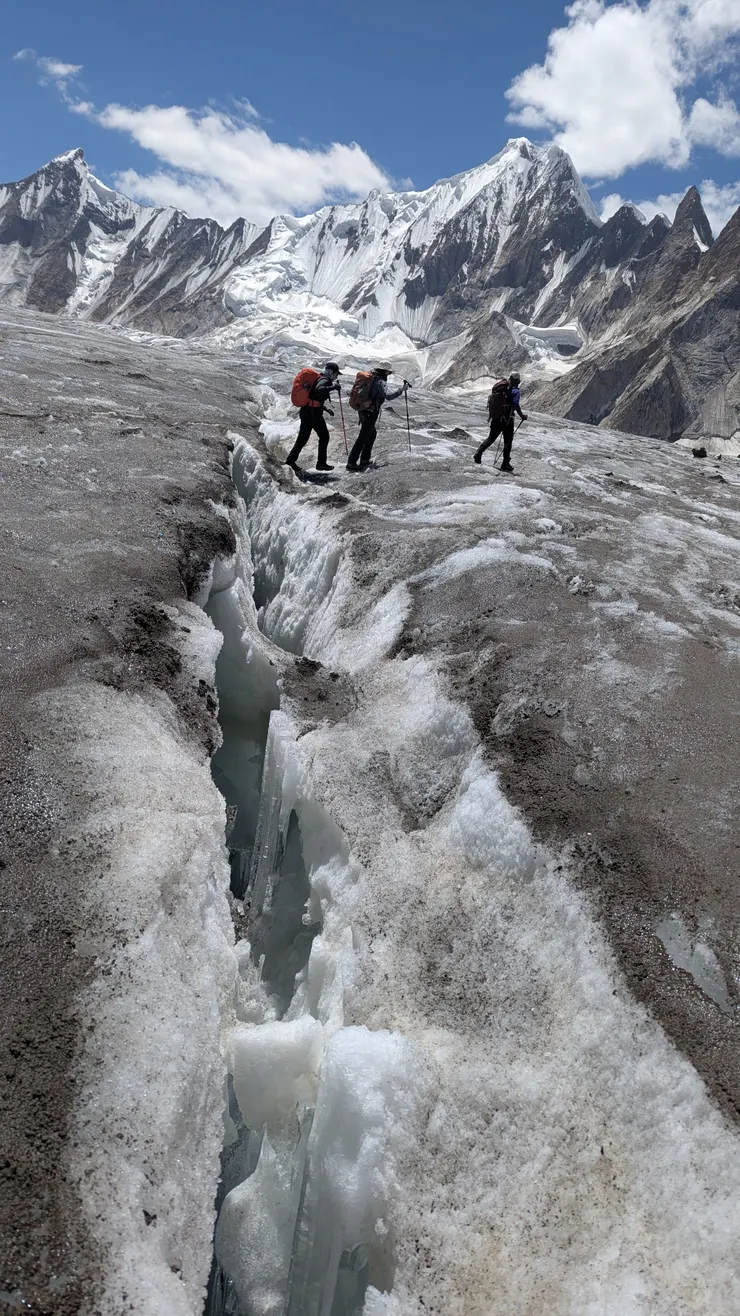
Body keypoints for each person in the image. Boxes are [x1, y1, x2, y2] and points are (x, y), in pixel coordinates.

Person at [346, 362, 409, 471]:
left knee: (371, 434)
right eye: (388, 372)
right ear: (385, 371)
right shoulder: (380, 381)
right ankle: (352, 462)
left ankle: (364, 459)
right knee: (364, 436)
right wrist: (401, 390)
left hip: (363, 409)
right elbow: (388, 395)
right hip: (371, 411)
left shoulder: (371, 378)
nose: (389, 374)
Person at [285, 362, 342, 472]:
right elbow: (319, 390)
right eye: (336, 374)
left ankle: (290, 461)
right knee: (324, 436)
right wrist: (333, 387)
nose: (336, 377)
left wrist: (325, 408)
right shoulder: (325, 380)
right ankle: (321, 463)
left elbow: (314, 397)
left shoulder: (320, 378)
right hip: (313, 414)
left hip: (307, 411)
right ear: (332, 372)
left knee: (302, 439)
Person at [473, 372, 528, 472]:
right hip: (507, 420)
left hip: (496, 418)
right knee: (508, 442)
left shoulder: (502, 389)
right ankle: (505, 463)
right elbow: (515, 403)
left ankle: (479, 452)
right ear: (517, 381)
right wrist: (522, 415)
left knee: (491, 437)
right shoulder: (515, 391)